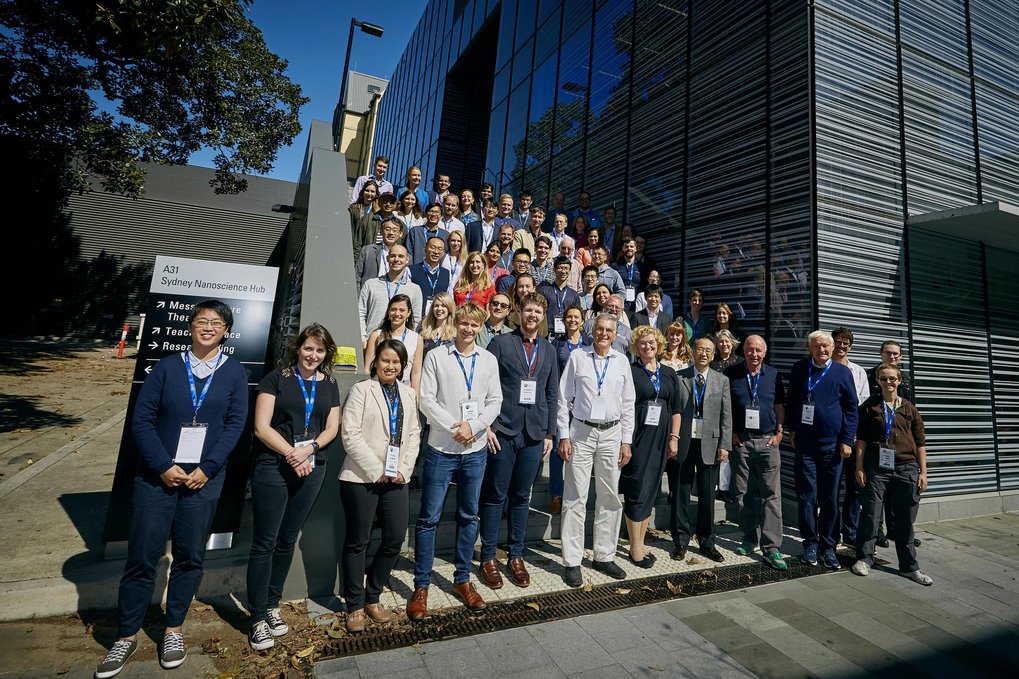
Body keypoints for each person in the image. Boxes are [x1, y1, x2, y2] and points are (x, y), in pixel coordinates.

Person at [96, 301, 248, 678]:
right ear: (190, 327)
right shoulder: (166, 368)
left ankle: (174, 630)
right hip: (156, 480)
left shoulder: (233, 373)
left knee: (189, 557)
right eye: (201, 321)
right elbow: (142, 420)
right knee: (142, 558)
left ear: (226, 331)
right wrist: (163, 465)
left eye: (216, 323)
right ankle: (126, 635)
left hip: (203, 482)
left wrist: (208, 468)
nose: (208, 328)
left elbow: (235, 425)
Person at [246, 324, 341, 650]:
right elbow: (261, 428)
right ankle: (257, 617)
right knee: (265, 543)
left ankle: (272, 605)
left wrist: (309, 450)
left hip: (311, 468)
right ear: (298, 348)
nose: (313, 355)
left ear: (326, 353)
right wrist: (292, 452)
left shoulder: (329, 384)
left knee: (287, 540)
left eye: (320, 350)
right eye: (308, 348)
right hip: (275, 467)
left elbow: (332, 427)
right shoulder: (276, 379)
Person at [408, 302, 503, 619]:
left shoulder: (488, 360)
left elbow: (495, 401)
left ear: (480, 327)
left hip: (474, 451)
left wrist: (473, 427)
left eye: (475, 325)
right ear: (456, 323)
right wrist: (456, 427)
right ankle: (421, 585)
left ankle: (462, 580)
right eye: (464, 323)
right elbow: (426, 400)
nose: (469, 329)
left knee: (468, 516)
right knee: (429, 518)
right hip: (440, 449)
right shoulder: (437, 356)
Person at [340, 339, 423, 632]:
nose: (390, 366)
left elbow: (414, 433)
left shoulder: (408, 393)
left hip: (396, 478)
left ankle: (371, 595)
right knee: (357, 541)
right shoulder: (362, 390)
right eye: (385, 361)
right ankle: (353, 605)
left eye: (396, 362)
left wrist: (402, 470)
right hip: (362, 478)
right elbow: (349, 435)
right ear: (375, 362)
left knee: (394, 538)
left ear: (403, 366)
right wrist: (378, 470)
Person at [478, 292, 559, 589]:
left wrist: (550, 432)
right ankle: (488, 557)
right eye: (528, 310)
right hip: (503, 430)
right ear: (519, 312)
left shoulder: (549, 351)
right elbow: (485, 384)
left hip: (535, 434)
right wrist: (487, 425)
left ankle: (515, 555)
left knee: (522, 496)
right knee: (496, 495)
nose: (533, 315)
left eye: (538, 311)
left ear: (543, 316)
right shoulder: (501, 343)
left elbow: (552, 394)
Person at [557, 313, 636, 586]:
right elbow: (562, 397)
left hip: (612, 433)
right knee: (575, 496)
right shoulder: (578, 357)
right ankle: (572, 560)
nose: (603, 334)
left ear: (615, 335)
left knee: (609, 496)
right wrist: (564, 435)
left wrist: (626, 440)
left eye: (609, 330)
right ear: (592, 332)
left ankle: (603, 555)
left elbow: (628, 404)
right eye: (599, 329)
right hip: (581, 431)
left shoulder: (622, 361)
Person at [851, 362, 932, 585]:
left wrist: (923, 473)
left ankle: (909, 567)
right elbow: (862, 440)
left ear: (899, 381)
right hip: (876, 468)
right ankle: (865, 559)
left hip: (906, 467)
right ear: (877, 381)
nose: (888, 382)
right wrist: (859, 467)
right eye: (884, 378)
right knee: (871, 513)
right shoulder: (869, 407)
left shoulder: (909, 408)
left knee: (905, 520)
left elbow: (920, 442)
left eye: (892, 379)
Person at [786, 330, 859, 570]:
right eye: (817, 346)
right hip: (805, 446)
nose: (822, 350)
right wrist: (792, 430)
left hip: (833, 447)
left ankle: (829, 547)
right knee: (806, 497)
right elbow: (792, 402)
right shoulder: (799, 368)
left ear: (832, 348)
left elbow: (851, 408)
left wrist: (847, 439)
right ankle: (810, 544)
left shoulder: (842, 372)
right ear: (810, 348)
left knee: (829, 499)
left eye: (826, 346)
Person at [725, 335, 788, 570]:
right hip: (741, 441)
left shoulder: (773, 374)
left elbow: (779, 406)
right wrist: (730, 433)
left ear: (765, 351)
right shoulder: (731, 373)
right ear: (744, 350)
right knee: (742, 492)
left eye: (758, 350)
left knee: (771, 494)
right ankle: (749, 536)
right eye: (750, 350)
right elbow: (725, 405)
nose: (754, 354)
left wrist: (780, 432)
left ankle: (772, 547)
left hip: (767, 441)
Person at [669, 336, 733, 563]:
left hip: (711, 443)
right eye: (700, 349)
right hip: (685, 442)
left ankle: (706, 541)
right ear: (693, 352)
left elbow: (727, 415)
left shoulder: (721, 380)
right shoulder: (680, 378)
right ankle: (681, 541)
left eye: (708, 350)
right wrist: (672, 438)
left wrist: (725, 444)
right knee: (681, 493)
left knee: (707, 496)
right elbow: (674, 411)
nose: (703, 353)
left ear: (713, 355)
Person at [622, 325, 681, 568]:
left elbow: (676, 408)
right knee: (637, 487)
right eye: (643, 343)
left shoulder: (669, 373)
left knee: (651, 489)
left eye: (652, 342)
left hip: (661, 438)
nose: (648, 346)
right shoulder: (631, 371)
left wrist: (674, 437)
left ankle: (641, 541)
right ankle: (635, 546)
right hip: (638, 437)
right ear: (636, 346)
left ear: (659, 345)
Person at [866, 339, 915, 548]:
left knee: (897, 490)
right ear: (881, 354)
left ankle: (896, 530)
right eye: (888, 353)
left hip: (898, 445)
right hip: (877, 443)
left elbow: (911, 412)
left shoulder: (905, 379)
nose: (892, 357)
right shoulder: (870, 376)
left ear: (901, 357)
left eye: (896, 354)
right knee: (878, 491)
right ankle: (877, 532)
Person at [831, 326, 871, 548]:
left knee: (854, 487)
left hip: (853, 436)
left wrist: (855, 432)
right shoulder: (823, 368)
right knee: (832, 487)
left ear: (850, 347)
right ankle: (831, 531)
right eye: (838, 341)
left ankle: (851, 532)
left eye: (846, 343)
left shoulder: (858, 372)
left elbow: (862, 405)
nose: (841, 346)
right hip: (830, 436)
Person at [549, 305, 591, 513]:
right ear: (564, 321)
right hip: (562, 402)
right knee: (559, 447)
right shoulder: (558, 344)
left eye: (577, 317)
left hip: (583, 404)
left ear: (583, 321)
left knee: (580, 450)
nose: (573, 320)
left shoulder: (589, 345)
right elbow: (554, 373)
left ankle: (575, 493)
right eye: (569, 317)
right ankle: (557, 494)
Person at [358, 245, 423, 348]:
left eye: (401, 256)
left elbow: (416, 319)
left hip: (401, 346)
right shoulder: (370, 284)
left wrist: (409, 343)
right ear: (387, 258)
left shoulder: (414, 289)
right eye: (393, 256)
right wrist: (363, 339)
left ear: (407, 260)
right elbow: (360, 313)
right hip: (372, 343)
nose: (396, 259)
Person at [364, 294, 424, 391]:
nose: (397, 313)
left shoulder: (417, 339)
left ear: (408, 313)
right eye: (393, 309)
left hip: (404, 390)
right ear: (388, 312)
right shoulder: (376, 335)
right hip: (378, 388)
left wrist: (415, 398)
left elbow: (416, 373)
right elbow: (367, 368)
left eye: (402, 310)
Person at [539, 256, 583, 338]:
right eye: (560, 268)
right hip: (548, 334)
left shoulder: (574, 294)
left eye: (566, 268)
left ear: (570, 271)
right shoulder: (544, 291)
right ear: (554, 270)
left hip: (567, 334)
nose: (563, 271)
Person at [408, 236, 451, 320]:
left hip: (437, 320)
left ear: (443, 253)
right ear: (425, 249)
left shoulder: (446, 273)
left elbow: (449, 297)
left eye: (439, 249)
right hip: (415, 318)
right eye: (433, 247)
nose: (436, 252)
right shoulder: (410, 270)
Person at [355, 217, 404, 290]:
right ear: (381, 231)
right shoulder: (367, 251)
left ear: (400, 234)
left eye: (395, 230)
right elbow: (356, 277)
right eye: (387, 229)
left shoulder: (405, 256)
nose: (391, 233)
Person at [353, 192, 399, 263]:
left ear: (395, 205)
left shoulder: (399, 224)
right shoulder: (368, 219)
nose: (388, 204)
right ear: (379, 203)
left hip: (389, 261)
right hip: (368, 259)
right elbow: (357, 242)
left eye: (391, 202)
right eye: (385, 201)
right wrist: (357, 261)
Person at [612, 238, 644, 309]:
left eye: (631, 246)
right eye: (626, 246)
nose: (629, 248)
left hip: (637, 305)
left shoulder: (642, 267)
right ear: (623, 248)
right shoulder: (615, 266)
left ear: (636, 249)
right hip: (620, 305)